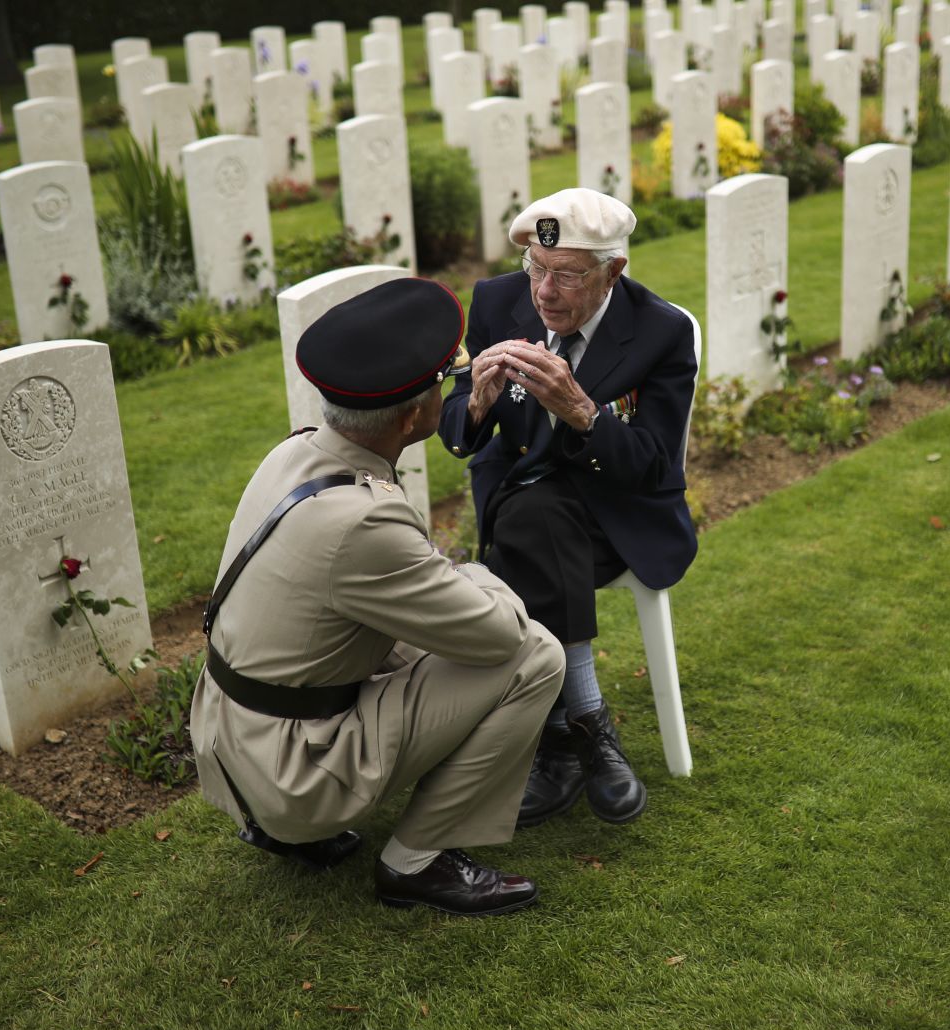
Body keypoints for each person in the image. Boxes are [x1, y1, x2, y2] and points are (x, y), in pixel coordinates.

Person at [190, 277, 567, 917]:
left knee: (425, 633)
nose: (446, 393)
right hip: (290, 775)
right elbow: (499, 637)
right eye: (440, 385)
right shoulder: (362, 521)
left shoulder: (294, 452)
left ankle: (283, 826)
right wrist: (484, 578)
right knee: (535, 654)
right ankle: (417, 861)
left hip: (226, 743)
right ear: (412, 415)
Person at [438, 188, 698, 830]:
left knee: (535, 522)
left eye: (567, 276)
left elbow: (655, 468)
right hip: (525, 503)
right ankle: (588, 725)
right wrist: (474, 405)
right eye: (536, 268)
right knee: (535, 513)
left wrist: (582, 412)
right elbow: (454, 429)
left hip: (615, 513)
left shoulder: (660, 332)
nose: (545, 293)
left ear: (614, 271)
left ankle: (557, 740)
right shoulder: (498, 301)